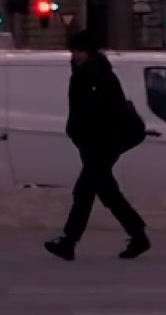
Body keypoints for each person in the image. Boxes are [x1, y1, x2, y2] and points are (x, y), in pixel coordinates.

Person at [45, 28, 150, 261]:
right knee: (106, 190)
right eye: (73, 51)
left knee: (84, 191)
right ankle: (138, 235)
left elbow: (101, 112)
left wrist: (85, 136)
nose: (74, 55)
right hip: (97, 142)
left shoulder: (96, 74)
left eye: (78, 51)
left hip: (103, 143)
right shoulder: (88, 73)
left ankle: (69, 242)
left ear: (89, 51)